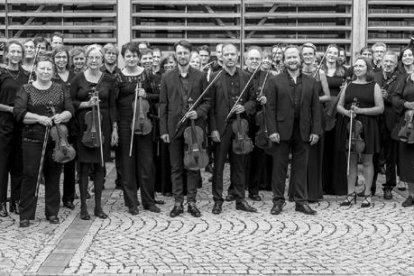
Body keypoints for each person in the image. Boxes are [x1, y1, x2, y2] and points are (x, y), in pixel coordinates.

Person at [14, 55, 74, 227]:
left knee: (54, 176)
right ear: (36, 70)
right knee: (30, 176)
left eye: (49, 69)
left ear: (53, 71)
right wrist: (40, 118)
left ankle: (52, 212)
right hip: (32, 139)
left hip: (56, 141)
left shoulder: (60, 88)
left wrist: (61, 116)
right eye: (42, 68)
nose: (46, 71)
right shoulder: (26, 89)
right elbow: (19, 113)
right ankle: (26, 214)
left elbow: (70, 110)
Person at [265, 45, 322, 215]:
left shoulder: (311, 81)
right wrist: (272, 130)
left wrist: (315, 131)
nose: (292, 60)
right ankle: (277, 201)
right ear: (284, 60)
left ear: (300, 59)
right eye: (288, 57)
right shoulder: (274, 80)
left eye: (294, 57)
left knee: (301, 167)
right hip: (281, 130)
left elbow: (315, 109)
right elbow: (270, 108)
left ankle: (300, 201)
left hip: (303, 130)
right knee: (279, 168)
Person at [159, 40, 210, 218]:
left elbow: (207, 101)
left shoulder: (201, 76)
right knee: (176, 167)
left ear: (190, 54)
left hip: (194, 129)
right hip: (173, 128)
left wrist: (199, 112)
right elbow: (163, 105)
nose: (182, 56)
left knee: (193, 166)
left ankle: (192, 202)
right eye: (179, 53)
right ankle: (178, 202)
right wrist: (163, 130)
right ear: (175, 54)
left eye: (185, 53)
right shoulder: (167, 77)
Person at [209, 43, 259, 214]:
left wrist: (245, 107)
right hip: (222, 128)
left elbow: (254, 100)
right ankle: (217, 200)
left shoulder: (247, 76)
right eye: (226, 54)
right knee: (219, 167)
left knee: (239, 165)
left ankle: (240, 199)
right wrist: (213, 129)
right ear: (221, 57)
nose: (229, 58)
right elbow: (210, 106)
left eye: (233, 54)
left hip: (240, 128)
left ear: (238, 56)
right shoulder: (214, 77)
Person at [70, 44, 118, 220]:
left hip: (103, 127)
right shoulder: (78, 79)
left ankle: (98, 207)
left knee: (99, 167)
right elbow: (70, 103)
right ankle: (83, 207)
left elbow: (113, 105)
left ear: (102, 60)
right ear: (86, 59)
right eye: (91, 57)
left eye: (98, 58)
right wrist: (85, 104)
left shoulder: (109, 80)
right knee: (83, 168)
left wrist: (114, 129)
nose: (94, 60)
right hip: (84, 127)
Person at [115, 42, 160, 215]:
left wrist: (146, 95)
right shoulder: (118, 77)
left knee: (147, 163)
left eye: (134, 56)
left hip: (144, 123)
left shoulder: (147, 75)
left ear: (138, 57)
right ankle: (131, 203)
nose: (131, 59)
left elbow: (159, 97)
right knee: (128, 164)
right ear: (124, 58)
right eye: (128, 56)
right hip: (126, 123)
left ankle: (149, 201)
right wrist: (115, 126)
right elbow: (114, 103)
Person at [337, 56, 384, 207]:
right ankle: (350, 194)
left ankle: (367, 194)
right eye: (355, 66)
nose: (357, 68)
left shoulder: (374, 85)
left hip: (368, 126)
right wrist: (347, 113)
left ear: (367, 69)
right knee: (351, 161)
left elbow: (380, 108)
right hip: (350, 126)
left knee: (367, 162)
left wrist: (361, 110)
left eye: (361, 66)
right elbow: (339, 106)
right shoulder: (348, 85)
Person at [295, 42, 330, 202]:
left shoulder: (320, 73)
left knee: (314, 155)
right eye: (305, 54)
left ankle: (313, 193)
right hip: (299, 117)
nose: (308, 56)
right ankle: (297, 192)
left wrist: (312, 101)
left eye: (311, 54)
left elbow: (328, 96)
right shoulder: (296, 72)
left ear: (315, 56)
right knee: (299, 154)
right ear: (301, 56)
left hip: (315, 116)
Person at [0, 41, 28, 217]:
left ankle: (16, 200)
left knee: (19, 165)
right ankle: (1, 202)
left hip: (22, 124)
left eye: (19, 51)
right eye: (13, 51)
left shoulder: (27, 75)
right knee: (2, 165)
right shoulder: (1, 74)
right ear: (7, 54)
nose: (16, 54)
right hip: (3, 122)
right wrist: (11, 109)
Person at [51, 47, 77, 210]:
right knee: (55, 162)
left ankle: (68, 197)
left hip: (72, 123)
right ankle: (54, 196)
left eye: (64, 57)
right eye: (58, 57)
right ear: (54, 59)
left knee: (70, 161)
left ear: (68, 59)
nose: (61, 60)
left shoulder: (75, 76)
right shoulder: (51, 76)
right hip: (55, 122)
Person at [321, 44, 349, 196]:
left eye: (335, 53)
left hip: (337, 113)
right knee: (323, 148)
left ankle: (337, 186)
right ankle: (323, 185)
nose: (332, 55)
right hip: (322, 112)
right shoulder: (320, 70)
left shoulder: (343, 71)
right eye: (329, 52)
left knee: (337, 148)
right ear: (325, 54)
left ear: (339, 56)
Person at [373, 51, 400, 200]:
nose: (388, 64)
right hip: (375, 121)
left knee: (390, 157)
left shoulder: (400, 79)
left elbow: (400, 102)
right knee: (373, 155)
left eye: (391, 62)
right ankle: (370, 187)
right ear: (381, 62)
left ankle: (388, 187)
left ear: (396, 65)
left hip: (391, 122)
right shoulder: (374, 76)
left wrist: (387, 97)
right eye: (386, 61)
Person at [392, 58, 414, 207]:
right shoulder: (405, 79)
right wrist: (406, 104)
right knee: (408, 161)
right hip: (409, 124)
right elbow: (395, 98)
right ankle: (412, 195)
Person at [101, 43, 122, 190]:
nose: (111, 56)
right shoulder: (99, 73)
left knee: (120, 148)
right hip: (105, 113)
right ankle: (100, 179)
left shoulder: (120, 73)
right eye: (108, 53)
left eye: (113, 53)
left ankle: (120, 180)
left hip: (120, 112)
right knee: (102, 148)